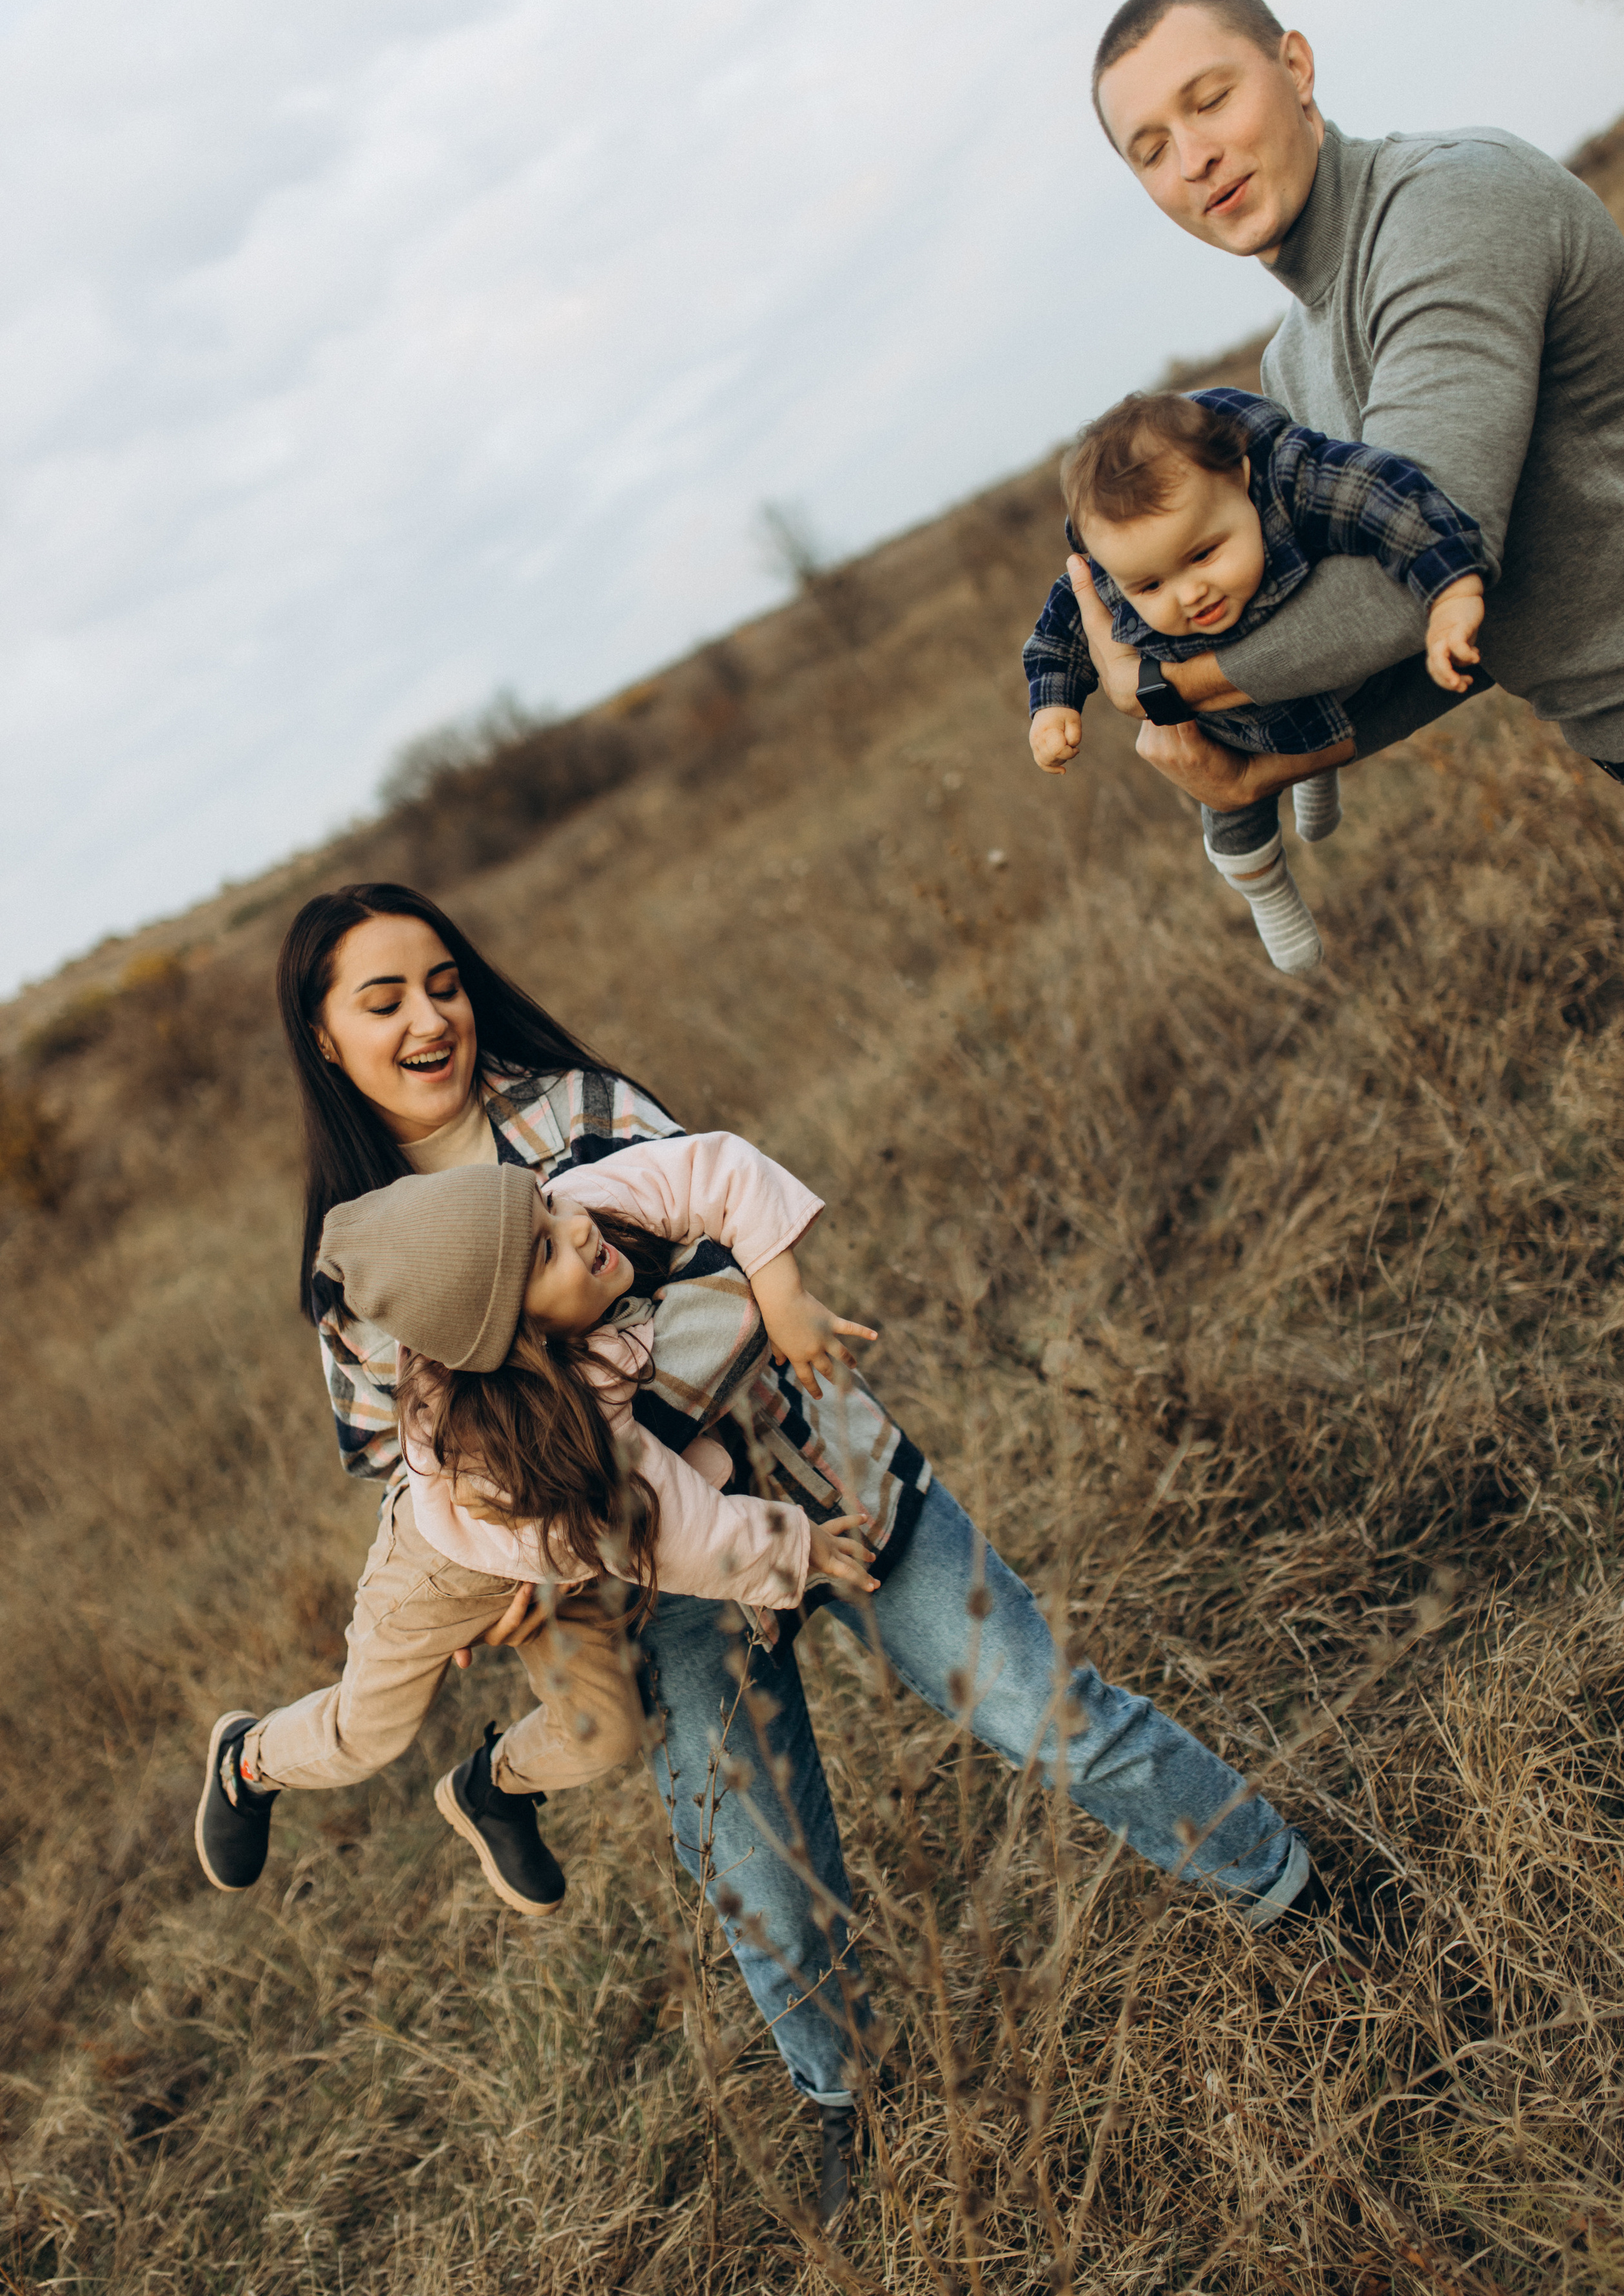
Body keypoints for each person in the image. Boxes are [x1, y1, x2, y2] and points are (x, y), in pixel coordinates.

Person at [260, 880, 1325, 2227]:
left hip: (824, 1479)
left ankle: (1285, 1891)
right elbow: (406, 1469)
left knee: (1043, 1711)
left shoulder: (571, 1120)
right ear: (323, 1037)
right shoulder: (355, 1272)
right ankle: (847, 2104)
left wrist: (616, 1439)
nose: (431, 1018)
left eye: (444, 982)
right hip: (657, 1591)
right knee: (758, 1875)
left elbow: (724, 1270)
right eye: (385, 999)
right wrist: (519, 1573)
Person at [194, 1134, 879, 1916]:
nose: (578, 1225)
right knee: (368, 1732)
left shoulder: (586, 1211)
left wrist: (781, 1289)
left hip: (570, 1555)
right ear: (517, 1338)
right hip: (446, 1568)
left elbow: (713, 1167)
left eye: (548, 1204)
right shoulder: (540, 1422)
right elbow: (676, 1534)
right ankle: (247, 1763)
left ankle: (492, 1788)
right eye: (546, 1251)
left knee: (606, 1731)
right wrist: (801, 1544)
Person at [1062, 0, 1624, 848]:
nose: (1194, 159)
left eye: (1212, 100)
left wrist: (1161, 682)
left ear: (1296, 67)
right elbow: (1439, 633)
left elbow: (1419, 564)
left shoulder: (1446, 206)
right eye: (1151, 149)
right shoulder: (1291, 366)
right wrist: (1261, 767)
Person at [1024, 386, 1489, 972]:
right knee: (1227, 820)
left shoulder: (1294, 484)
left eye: (1203, 554)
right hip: (1229, 727)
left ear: (1242, 479)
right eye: (1150, 588)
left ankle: (1316, 777)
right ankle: (1269, 892)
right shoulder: (1113, 568)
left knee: (1344, 700)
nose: (1189, 595)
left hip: (1338, 680)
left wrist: (1450, 592)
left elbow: (1389, 501)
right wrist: (1053, 707)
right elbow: (1056, 637)